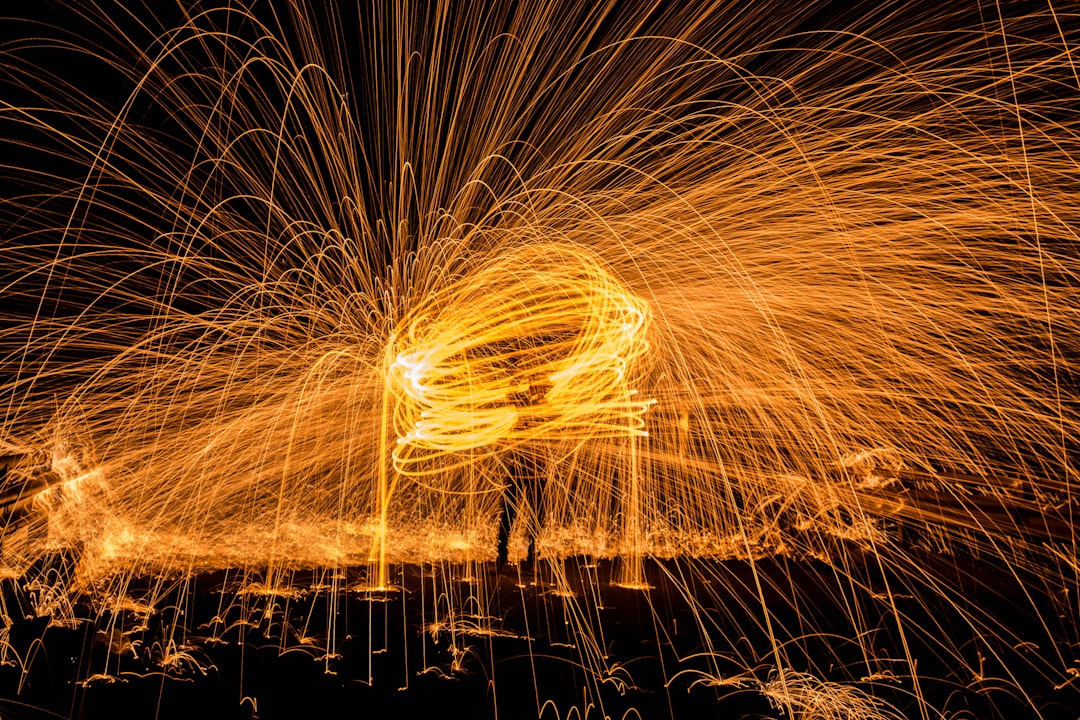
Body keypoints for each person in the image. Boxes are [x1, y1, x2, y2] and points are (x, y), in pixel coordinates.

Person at [496, 380, 549, 571]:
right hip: (519, 469)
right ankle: (502, 557)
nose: (535, 390)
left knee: (535, 517)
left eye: (538, 387)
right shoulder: (525, 406)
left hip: (537, 470)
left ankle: (531, 558)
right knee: (509, 515)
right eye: (534, 387)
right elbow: (510, 395)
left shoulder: (545, 410)